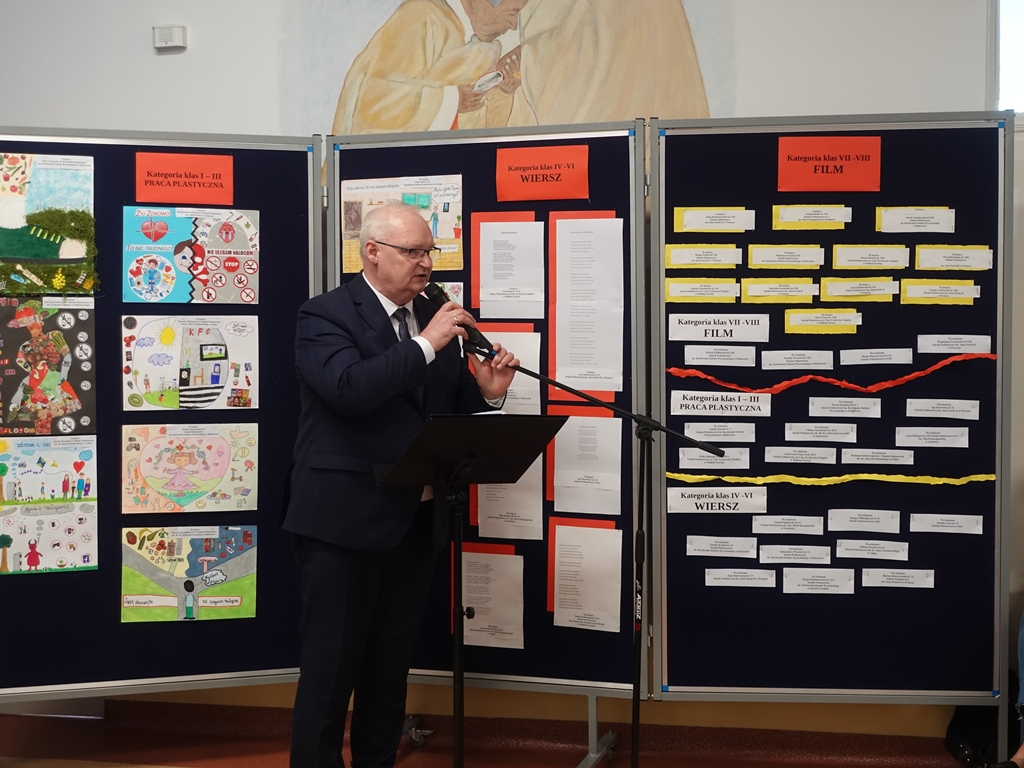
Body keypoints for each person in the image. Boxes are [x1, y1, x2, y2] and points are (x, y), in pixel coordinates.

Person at [283, 202, 517, 768]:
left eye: (429, 252)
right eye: (413, 252)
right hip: (342, 525)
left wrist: (487, 393)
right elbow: (349, 390)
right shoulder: (324, 314)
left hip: (415, 523)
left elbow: (441, 411)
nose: (426, 264)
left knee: (389, 672)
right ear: (372, 252)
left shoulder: (430, 317)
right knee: (330, 674)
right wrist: (428, 343)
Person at [329, 0, 528, 137]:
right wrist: (453, 101)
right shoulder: (420, 16)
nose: (513, 25)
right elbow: (376, 101)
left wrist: (501, 90)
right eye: (512, 13)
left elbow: (474, 134)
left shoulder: (484, 49)